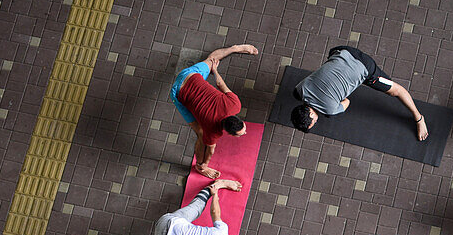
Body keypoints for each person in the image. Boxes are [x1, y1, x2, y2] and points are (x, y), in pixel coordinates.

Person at [290, 45, 429, 141]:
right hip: (341, 51)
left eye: (313, 121)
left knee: (396, 91)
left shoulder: (330, 110)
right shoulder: (299, 89)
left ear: (311, 113)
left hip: (364, 66)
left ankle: (419, 118)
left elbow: (347, 102)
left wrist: (337, 94)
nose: (315, 121)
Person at [170, 44, 259, 179]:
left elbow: (220, 84)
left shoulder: (235, 104)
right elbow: (210, 151)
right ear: (227, 132)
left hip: (190, 75)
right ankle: (199, 167)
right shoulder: (213, 132)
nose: (245, 132)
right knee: (200, 133)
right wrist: (204, 165)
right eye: (241, 133)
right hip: (177, 93)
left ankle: (233, 49)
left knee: (212, 60)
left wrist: (215, 70)